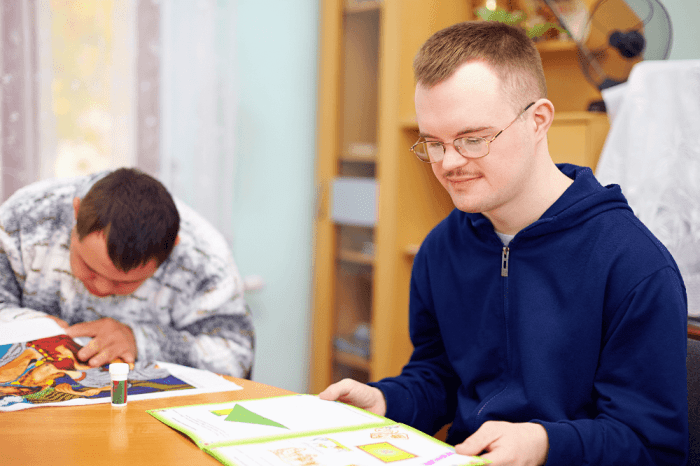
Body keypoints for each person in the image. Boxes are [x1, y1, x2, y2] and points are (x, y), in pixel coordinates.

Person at [320, 21, 688, 466]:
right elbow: (441, 378)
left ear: (538, 121)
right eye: (433, 143)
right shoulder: (442, 248)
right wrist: (386, 401)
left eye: (472, 139)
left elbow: (652, 446)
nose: (450, 163)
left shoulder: (634, 265)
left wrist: (545, 444)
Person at [0, 168, 254, 378]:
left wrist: (141, 342)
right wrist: (27, 325)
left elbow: (235, 357)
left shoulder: (202, 255)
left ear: (172, 250)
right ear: (76, 214)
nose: (100, 288)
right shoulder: (26, 217)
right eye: (88, 267)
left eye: (125, 283)